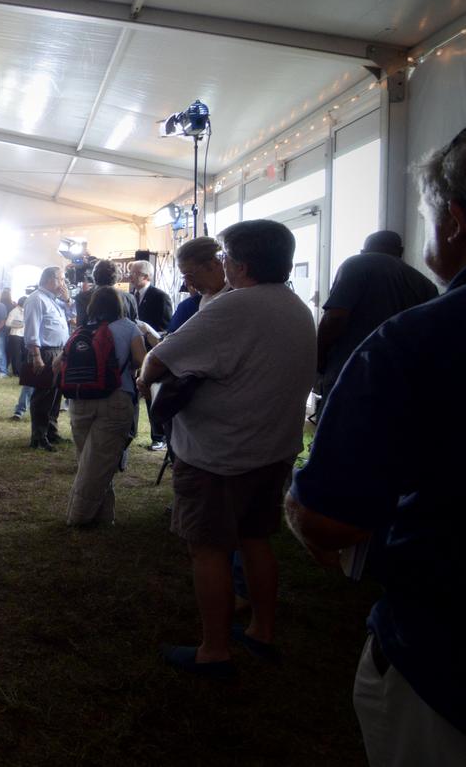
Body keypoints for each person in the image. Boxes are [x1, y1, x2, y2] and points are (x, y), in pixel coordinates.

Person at [286, 130, 466, 764]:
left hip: (442, 663)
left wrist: (313, 371)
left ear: (455, 221)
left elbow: (327, 518)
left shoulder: (414, 335)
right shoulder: (418, 285)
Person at [138, 220, 315, 678]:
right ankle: (261, 631)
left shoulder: (235, 307)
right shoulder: (296, 306)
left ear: (240, 264)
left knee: (209, 550)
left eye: (225, 257)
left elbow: (158, 359)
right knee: (256, 541)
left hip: (219, 454)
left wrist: (144, 381)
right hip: (272, 449)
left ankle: (213, 652)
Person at [316, 229, 438, 402]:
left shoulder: (356, 265)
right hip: (401, 380)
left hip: (352, 374)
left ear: (363, 251)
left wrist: (319, 358)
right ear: (401, 251)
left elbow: (335, 317)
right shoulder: (425, 284)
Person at [65, 286, 146, 526]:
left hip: (80, 400)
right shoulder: (130, 328)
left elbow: (60, 362)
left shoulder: (82, 330)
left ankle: (103, 516)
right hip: (116, 399)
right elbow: (141, 360)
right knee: (98, 464)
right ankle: (78, 517)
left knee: (91, 462)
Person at [128, 259, 173, 450]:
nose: (130, 276)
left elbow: (166, 328)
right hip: (133, 352)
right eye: (130, 272)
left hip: (152, 353)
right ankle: (130, 432)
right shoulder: (130, 296)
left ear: (146, 276)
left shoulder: (160, 297)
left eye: (134, 273)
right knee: (132, 393)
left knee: (151, 394)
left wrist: (148, 331)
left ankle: (159, 436)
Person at [24, 268, 70, 451]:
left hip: (59, 352)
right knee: (43, 396)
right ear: (51, 280)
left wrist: (67, 300)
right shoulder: (36, 299)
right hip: (45, 352)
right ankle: (39, 436)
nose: (63, 284)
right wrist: (36, 356)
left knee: (55, 395)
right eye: (61, 279)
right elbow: (32, 330)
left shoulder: (54, 300)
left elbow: (73, 317)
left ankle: (51, 431)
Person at [73, 259, 137, 327]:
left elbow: (81, 326)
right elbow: (135, 325)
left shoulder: (81, 298)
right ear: (116, 277)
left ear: (94, 275)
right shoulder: (130, 298)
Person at [8, 295, 31, 420]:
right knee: (16, 356)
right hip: (16, 335)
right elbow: (8, 323)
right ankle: (17, 371)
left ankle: (21, 371)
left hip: (24, 336)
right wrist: (19, 325)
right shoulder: (14, 311)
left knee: (24, 355)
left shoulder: (27, 310)